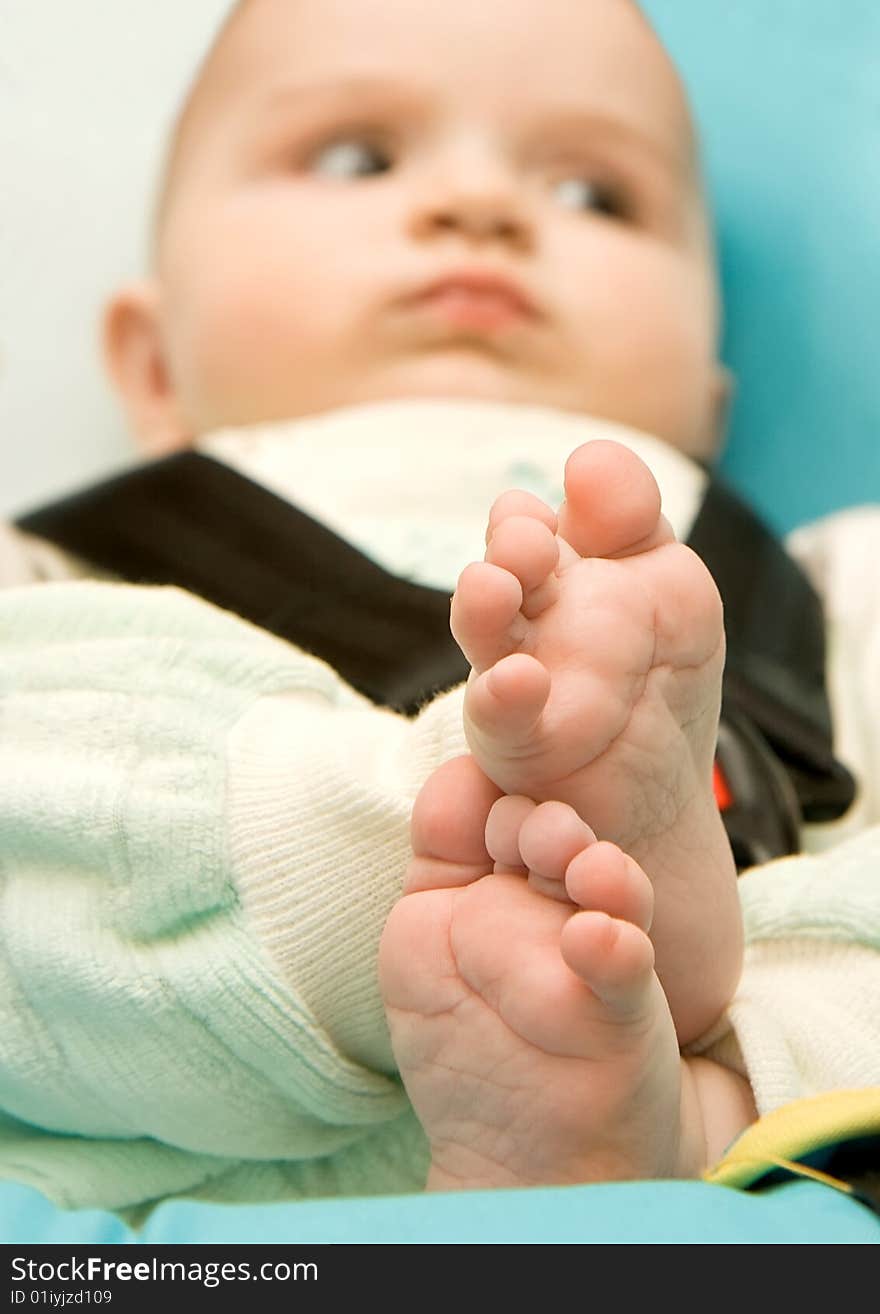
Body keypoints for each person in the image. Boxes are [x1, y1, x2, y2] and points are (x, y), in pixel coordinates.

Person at [1, 0, 878, 1214]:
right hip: (225, 1117)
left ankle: (676, 1098)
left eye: (595, 196)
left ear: (708, 409)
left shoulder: (829, 584)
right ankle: (425, 861)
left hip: (720, 1142)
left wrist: (756, 1059)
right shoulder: (59, 553)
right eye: (358, 157)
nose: (482, 207)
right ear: (155, 369)